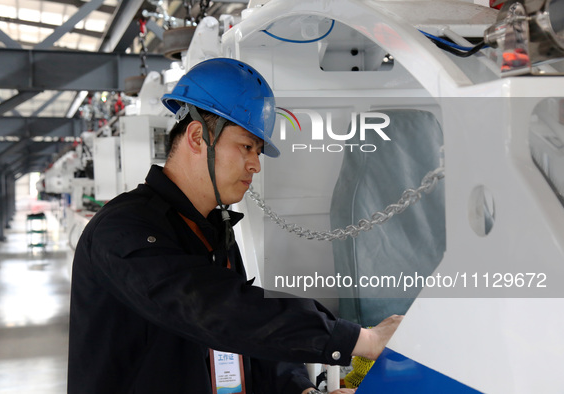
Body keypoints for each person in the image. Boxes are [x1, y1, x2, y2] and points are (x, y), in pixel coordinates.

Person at [67, 58, 402, 394]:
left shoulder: (215, 231)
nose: (255, 165)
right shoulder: (123, 229)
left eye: (257, 151)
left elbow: (248, 334)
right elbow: (215, 309)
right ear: (198, 137)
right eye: (246, 147)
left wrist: (300, 390)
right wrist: (362, 339)